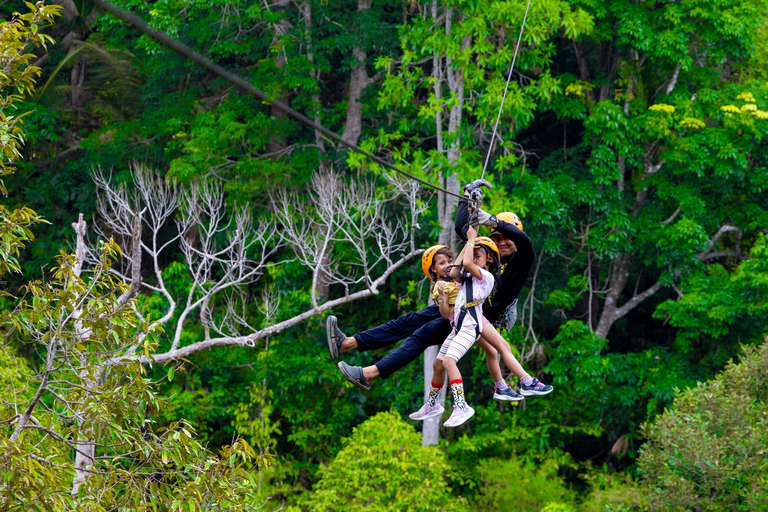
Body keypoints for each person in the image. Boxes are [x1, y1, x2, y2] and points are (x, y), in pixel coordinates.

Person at [331, 181, 551, 396]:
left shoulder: (522, 259)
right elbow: (461, 227)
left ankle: (368, 374)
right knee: (408, 321)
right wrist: (468, 194)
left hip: (476, 317)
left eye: (507, 238)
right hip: (461, 304)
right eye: (498, 237)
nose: (502, 242)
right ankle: (348, 344)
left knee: (422, 335)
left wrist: (492, 221)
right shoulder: (488, 253)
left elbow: (524, 242)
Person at [410, 228, 499, 427]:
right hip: (458, 326)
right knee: (438, 364)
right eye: (441, 264)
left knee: (450, 361)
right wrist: (442, 296)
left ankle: (461, 406)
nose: (447, 266)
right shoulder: (440, 286)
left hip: (471, 324)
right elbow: (444, 314)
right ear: (433, 270)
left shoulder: (459, 276)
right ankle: (432, 404)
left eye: (448, 262)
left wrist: (471, 237)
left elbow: (462, 263)